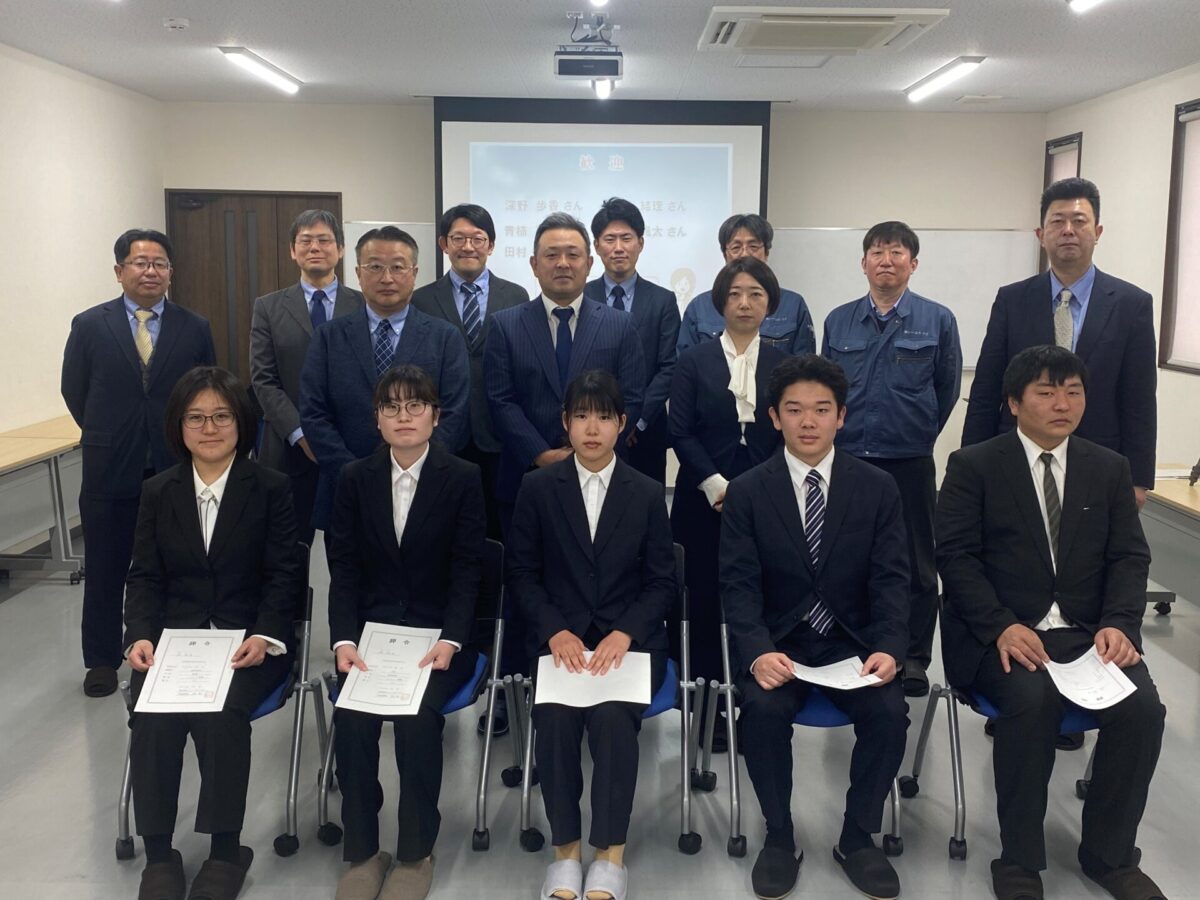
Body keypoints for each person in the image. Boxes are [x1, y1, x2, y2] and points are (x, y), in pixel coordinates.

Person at [937, 345, 1166, 900]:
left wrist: (1120, 624)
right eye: (1045, 392)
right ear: (1014, 402)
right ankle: (1019, 859)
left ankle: (1110, 856)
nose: (1062, 404)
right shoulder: (975, 466)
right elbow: (955, 558)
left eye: (1073, 392)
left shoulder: (1108, 468)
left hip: (1087, 634)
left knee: (1142, 709)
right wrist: (1000, 625)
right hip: (1001, 634)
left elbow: (1129, 557)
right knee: (1031, 701)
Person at [720, 355, 910, 900]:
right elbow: (737, 585)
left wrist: (889, 647)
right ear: (773, 417)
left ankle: (857, 837)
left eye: (822, 410)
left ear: (841, 416)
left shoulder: (877, 488)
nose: (808, 421)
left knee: (889, 712)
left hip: (852, 644)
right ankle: (779, 836)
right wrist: (757, 651)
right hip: (780, 644)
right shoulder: (748, 491)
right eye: (795, 410)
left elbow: (894, 580)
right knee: (760, 711)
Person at [124, 366, 301, 900]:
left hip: (246, 645)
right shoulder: (158, 491)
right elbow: (144, 576)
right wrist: (139, 637)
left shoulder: (270, 488)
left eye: (221, 416)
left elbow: (284, 575)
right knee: (151, 716)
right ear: (178, 427)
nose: (209, 428)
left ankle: (225, 850)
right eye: (195, 418)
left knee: (222, 714)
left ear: (241, 423)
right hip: (175, 647)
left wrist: (266, 636)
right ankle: (160, 854)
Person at [506, 370, 674, 900]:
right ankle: (566, 850)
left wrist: (626, 632)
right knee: (555, 719)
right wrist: (554, 629)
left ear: (623, 423)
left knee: (612, 719)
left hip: (629, 644)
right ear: (565, 423)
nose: (593, 428)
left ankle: (610, 853)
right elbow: (522, 573)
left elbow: (662, 582)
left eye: (604, 417)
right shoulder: (537, 488)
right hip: (559, 641)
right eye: (581, 416)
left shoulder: (646, 492)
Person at [326, 365, 485, 900]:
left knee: (417, 720)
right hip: (372, 642)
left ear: (435, 416)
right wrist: (344, 641)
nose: (403, 416)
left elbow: (468, 570)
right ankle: (363, 850)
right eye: (391, 407)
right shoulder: (354, 479)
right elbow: (344, 569)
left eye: (415, 405)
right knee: (351, 717)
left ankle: (416, 853)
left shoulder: (462, 478)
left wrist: (452, 639)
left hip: (439, 641)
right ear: (377, 419)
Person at [484, 213, 645, 734]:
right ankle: (513, 692)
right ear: (533, 264)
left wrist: (582, 452)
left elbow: (631, 397)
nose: (562, 263)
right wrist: (541, 455)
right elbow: (499, 399)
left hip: (601, 480)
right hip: (526, 482)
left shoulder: (619, 325)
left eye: (573, 254)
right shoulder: (506, 324)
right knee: (524, 583)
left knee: (595, 582)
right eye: (551, 254)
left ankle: (599, 683)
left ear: (589, 262)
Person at [61, 228, 216, 698]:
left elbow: (207, 390)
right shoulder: (91, 325)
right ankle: (101, 660)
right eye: (140, 262)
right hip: (110, 465)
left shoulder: (194, 327)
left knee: (175, 563)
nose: (151, 271)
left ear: (171, 272)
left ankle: (166, 649)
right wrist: (112, 431)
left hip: (174, 464)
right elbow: (74, 390)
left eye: (160, 264)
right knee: (105, 566)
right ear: (119, 271)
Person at [821, 221, 961, 697]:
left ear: (913, 264)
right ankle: (853, 644)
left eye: (897, 252)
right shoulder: (839, 320)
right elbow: (827, 391)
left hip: (909, 458)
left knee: (917, 560)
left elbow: (946, 390)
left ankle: (914, 656)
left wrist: (916, 431)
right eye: (877, 252)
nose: (886, 260)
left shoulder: (937, 319)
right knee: (848, 556)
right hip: (849, 458)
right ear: (863, 263)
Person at [962, 177, 1156, 507]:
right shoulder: (1012, 300)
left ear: (1097, 232)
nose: (1068, 230)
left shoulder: (1131, 304)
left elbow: (1139, 398)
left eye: (1079, 221)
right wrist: (969, 464)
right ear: (1041, 235)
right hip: (1016, 458)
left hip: (1100, 461)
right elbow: (986, 388)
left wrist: (1138, 479)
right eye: (1057, 221)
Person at [669, 257, 787, 748]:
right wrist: (717, 485)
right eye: (735, 293)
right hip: (702, 500)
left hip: (766, 501)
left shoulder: (784, 364)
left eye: (756, 294)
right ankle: (704, 704)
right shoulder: (693, 360)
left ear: (770, 304)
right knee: (702, 596)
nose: (745, 303)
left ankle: (752, 693)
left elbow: (790, 433)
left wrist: (755, 489)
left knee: (756, 595)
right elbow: (680, 431)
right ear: (720, 302)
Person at [299, 225, 469, 538]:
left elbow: (455, 412)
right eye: (375, 267)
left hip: (426, 489)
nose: (387, 277)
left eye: (398, 267)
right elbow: (313, 413)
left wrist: (417, 469)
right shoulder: (328, 337)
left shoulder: (445, 337)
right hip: (346, 489)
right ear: (357, 273)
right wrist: (356, 474)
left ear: (414, 273)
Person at [412, 203, 530, 540]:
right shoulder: (421, 300)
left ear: (490, 245)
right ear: (443, 244)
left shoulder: (516, 296)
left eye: (477, 239)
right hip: (443, 434)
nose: (468, 247)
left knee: (500, 528)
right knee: (446, 528)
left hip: (499, 433)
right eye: (458, 238)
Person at [250, 209, 365, 546]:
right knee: (287, 550)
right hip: (287, 449)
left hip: (349, 446)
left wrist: (329, 438)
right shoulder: (268, 307)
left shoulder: (363, 305)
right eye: (306, 240)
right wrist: (300, 434)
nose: (315, 247)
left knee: (350, 548)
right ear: (292, 250)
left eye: (324, 240)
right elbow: (263, 379)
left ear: (340, 249)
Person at [584, 197, 681, 484]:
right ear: (596, 246)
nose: (618, 247)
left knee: (644, 503)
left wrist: (635, 420)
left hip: (645, 431)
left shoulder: (663, 300)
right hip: (589, 428)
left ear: (640, 243)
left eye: (626, 238)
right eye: (609, 239)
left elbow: (669, 366)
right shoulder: (581, 297)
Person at [676, 213, 815, 355]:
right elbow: (686, 362)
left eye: (753, 246)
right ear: (725, 255)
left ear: (766, 253)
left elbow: (804, 363)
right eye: (736, 247)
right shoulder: (699, 307)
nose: (744, 254)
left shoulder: (793, 305)